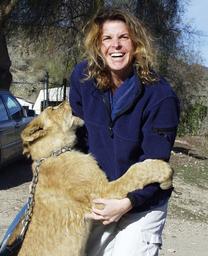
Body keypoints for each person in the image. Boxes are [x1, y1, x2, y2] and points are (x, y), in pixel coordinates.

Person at [69, 8, 180, 256]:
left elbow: (155, 165)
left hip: (141, 204)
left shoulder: (160, 96)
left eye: (124, 37)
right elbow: (78, 140)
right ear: (97, 45)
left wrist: (126, 203)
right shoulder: (82, 79)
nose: (115, 45)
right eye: (107, 38)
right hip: (99, 194)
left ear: (136, 43)